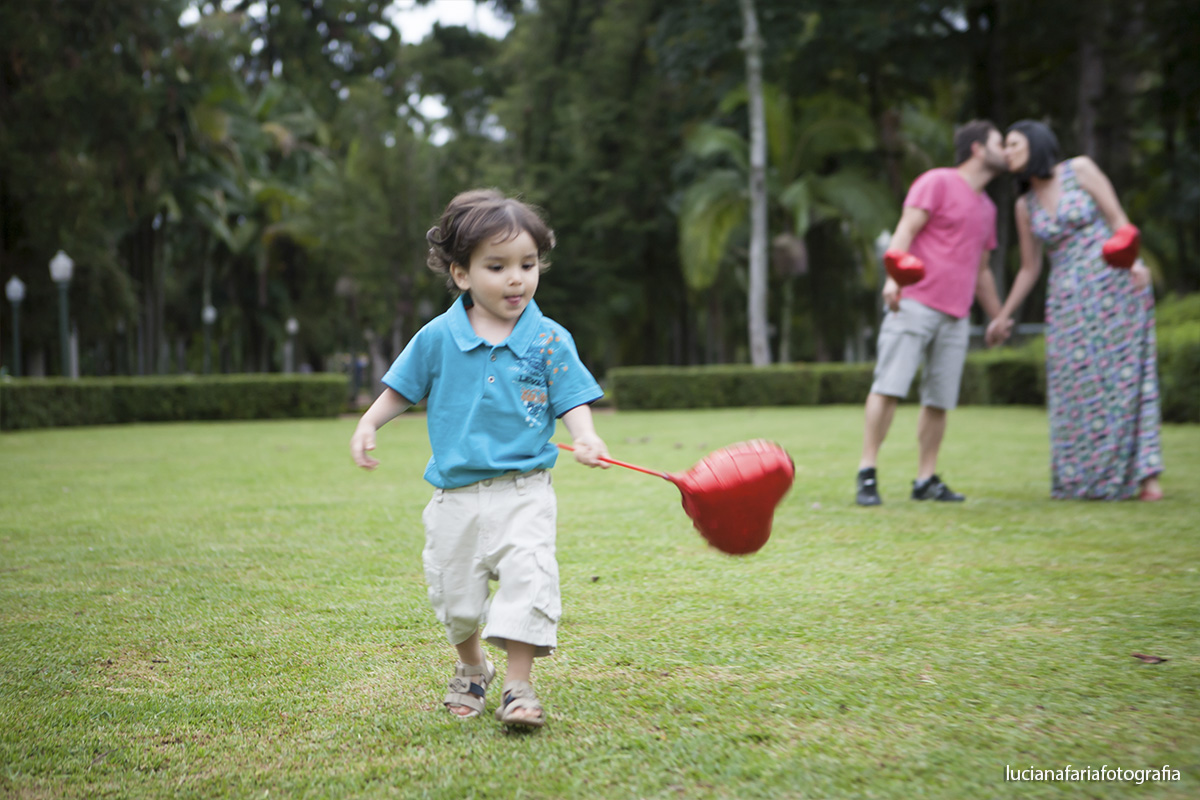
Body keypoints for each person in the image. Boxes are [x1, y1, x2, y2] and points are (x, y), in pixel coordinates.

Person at [349, 189, 610, 729]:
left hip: (524, 491)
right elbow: (403, 387)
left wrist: (586, 435)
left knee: (528, 582)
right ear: (462, 273)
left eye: (528, 264)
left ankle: (519, 686)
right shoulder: (438, 336)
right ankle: (473, 668)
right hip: (455, 497)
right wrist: (370, 421)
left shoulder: (549, 339)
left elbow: (572, 398)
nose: (516, 278)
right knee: (455, 597)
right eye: (498, 266)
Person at [986, 120, 1163, 501]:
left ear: (1035, 143)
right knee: (1076, 388)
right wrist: (1003, 314)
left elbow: (1119, 221)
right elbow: (1030, 268)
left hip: (1113, 285)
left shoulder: (1079, 170)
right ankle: (1083, 478)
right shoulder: (1024, 204)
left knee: (1125, 379)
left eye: (1013, 144)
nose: (1007, 152)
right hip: (1067, 300)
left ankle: (1146, 477)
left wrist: (1134, 263)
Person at [855, 120, 1009, 506]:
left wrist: (997, 315)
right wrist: (894, 280)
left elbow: (982, 268)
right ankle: (867, 472)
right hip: (914, 302)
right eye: (1000, 143)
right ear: (977, 149)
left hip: (956, 314)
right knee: (889, 386)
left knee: (939, 399)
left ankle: (925, 479)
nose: (1006, 151)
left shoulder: (987, 208)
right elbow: (905, 230)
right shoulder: (937, 181)